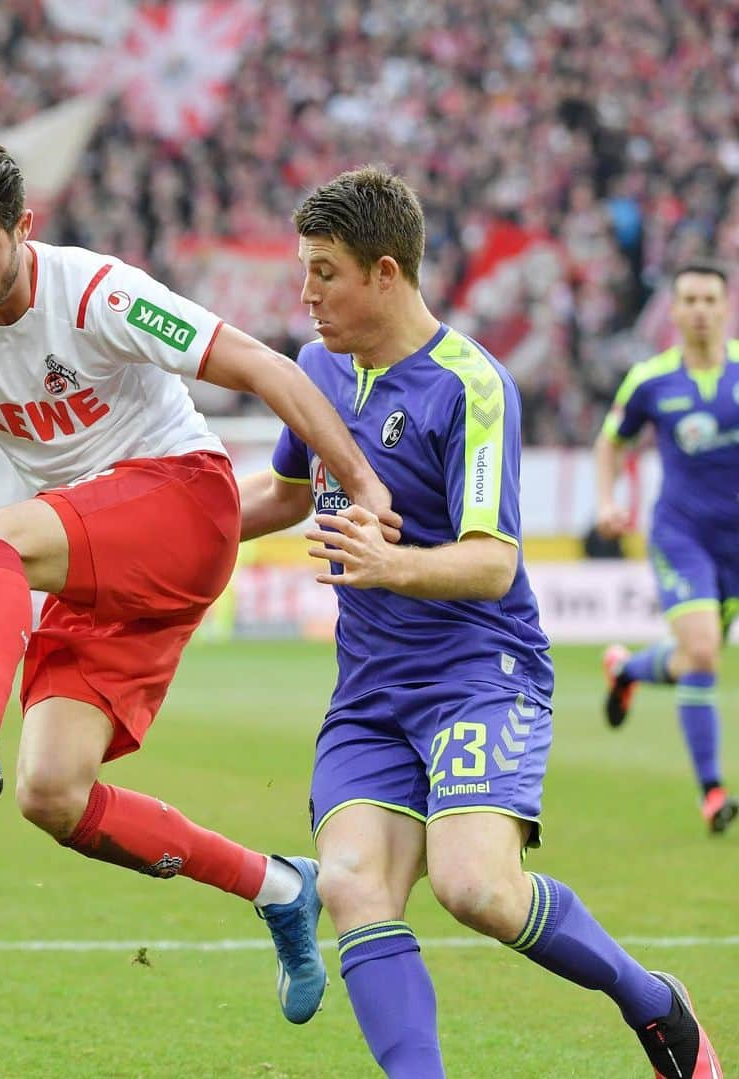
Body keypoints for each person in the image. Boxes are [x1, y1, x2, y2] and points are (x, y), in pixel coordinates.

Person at [0, 141, 402, 1024]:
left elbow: (269, 368)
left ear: (24, 230)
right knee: (51, 794)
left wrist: (366, 484)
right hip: (104, 557)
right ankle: (276, 887)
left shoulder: (98, 291)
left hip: (183, 499)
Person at [239, 167, 722, 1077]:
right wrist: (151, 541)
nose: (305, 294)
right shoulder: (313, 369)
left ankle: (652, 1001)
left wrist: (391, 565)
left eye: (324, 272)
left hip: (478, 673)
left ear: (387, 272)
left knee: (476, 888)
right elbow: (283, 492)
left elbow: (494, 560)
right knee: (351, 885)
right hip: (369, 693)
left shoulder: (472, 384)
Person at [595, 260, 738, 836]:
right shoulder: (651, 380)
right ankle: (713, 792)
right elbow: (611, 443)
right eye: (690, 300)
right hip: (683, 534)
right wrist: (607, 501)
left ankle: (627, 669)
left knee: (691, 659)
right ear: (674, 311)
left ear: (725, 308)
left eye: (710, 300)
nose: (701, 310)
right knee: (703, 652)